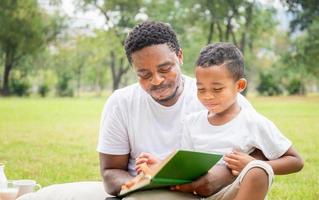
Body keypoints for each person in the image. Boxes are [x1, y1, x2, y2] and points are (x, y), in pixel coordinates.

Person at [97, 21, 264, 200]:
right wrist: (142, 184)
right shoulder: (121, 103)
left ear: (180, 56)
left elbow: (263, 152)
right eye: (144, 74)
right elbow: (110, 172)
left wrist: (223, 175)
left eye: (165, 69)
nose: (157, 80)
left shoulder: (215, 95)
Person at [133, 42, 304, 200]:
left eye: (217, 89)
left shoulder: (253, 122)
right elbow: (188, 168)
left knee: (258, 172)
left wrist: (254, 164)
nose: (208, 96)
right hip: (199, 195)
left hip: (236, 192)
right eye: (201, 89)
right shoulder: (191, 123)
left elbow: (295, 161)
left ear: (239, 86)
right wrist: (161, 166)